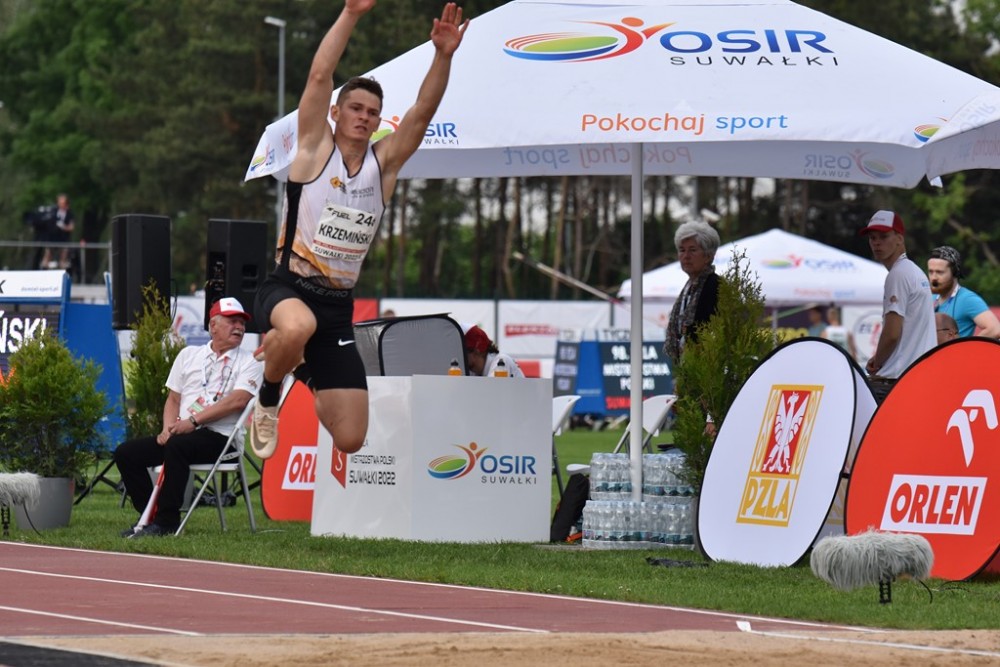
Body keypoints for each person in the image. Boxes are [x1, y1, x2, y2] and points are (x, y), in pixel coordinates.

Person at [250, 1, 468, 459]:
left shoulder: (382, 166)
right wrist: (350, 13)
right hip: (288, 288)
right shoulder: (314, 148)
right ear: (336, 112)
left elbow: (422, 113)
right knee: (298, 325)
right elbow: (318, 76)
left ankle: (300, 365)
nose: (364, 117)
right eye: (355, 107)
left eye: (372, 112)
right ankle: (268, 397)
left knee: (350, 438)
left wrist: (443, 55)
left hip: (336, 308)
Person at [114, 297, 262, 537]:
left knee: (178, 446)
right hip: (181, 434)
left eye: (242, 323)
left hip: (221, 438)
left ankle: (167, 522)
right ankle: (149, 516)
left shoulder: (249, 361)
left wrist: (193, 422)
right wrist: (166, 428)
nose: (239, 327)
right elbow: (173, 399)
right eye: (232, 321)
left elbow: (237, 401)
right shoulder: (189, 355)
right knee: (126, 453)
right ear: (213, 326)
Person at [861, 211, 936, 403]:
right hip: (917, 377)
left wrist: (878, 362)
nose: (877, 243)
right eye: (872, 238)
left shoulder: (898, 274)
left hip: (895, 381)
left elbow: (892, 333)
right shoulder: (914, 271)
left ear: (899, 239)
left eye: (884, 236)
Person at [663, 220, 721, 368]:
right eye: (682, 250)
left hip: (709, 368)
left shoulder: (716, 286)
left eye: (692, 250)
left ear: (708, 255)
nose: (686, 256)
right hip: (686, 367)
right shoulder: (688, 288)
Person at [927, 245, 1000, 339]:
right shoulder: (930, 298)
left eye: (939, 272)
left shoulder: (967, 299)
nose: (933, 277)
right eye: (931, 272)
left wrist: (965, 346)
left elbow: (995, 329)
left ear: (954, 273)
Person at [39, 194, 74, 269]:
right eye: (59, 203)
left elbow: (71, 227)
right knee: (47, 255)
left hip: (64, 239)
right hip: (52, 238)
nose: (60, 205)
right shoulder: (53, 211)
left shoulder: (69, 213)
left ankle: (62, 270)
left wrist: (63, 227)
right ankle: (44, 270)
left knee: (63, 257)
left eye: (63, 203)